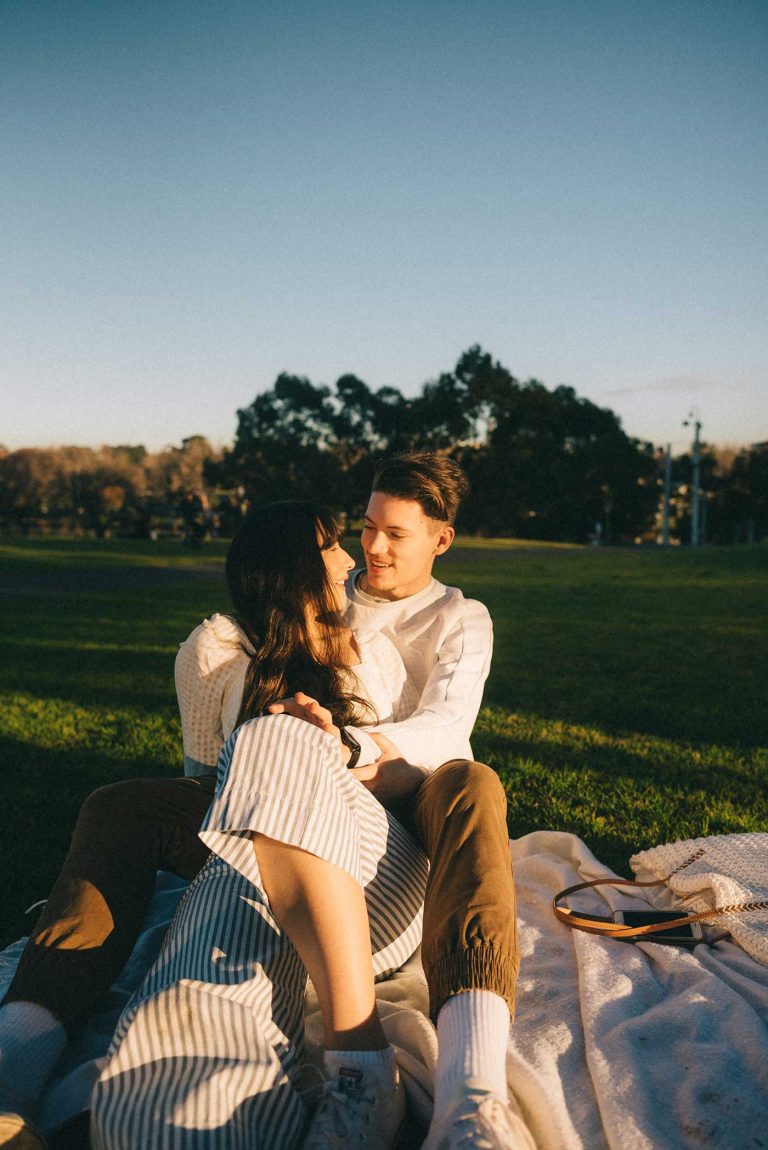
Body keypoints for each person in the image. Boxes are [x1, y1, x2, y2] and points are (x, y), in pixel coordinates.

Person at [0, 452, 528, 1150]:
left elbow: (447, 730)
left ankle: (461, 1095)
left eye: (392, 534)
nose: (366, 550)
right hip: (276, 824)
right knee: (120, 803)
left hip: (395, 821)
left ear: (440, 539)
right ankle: (13, 1068)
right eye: (359, 530)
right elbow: (205, 779)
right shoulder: (303, 623)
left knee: (466, 779)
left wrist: (343, 746)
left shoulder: (454, 618)